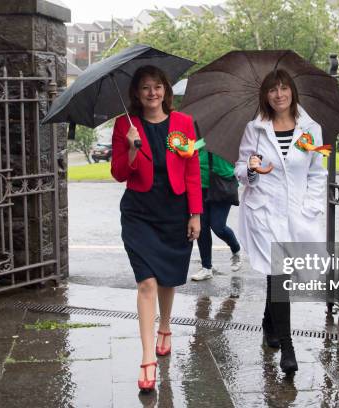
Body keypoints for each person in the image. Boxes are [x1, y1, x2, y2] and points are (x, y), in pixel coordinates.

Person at [111, 65, 202, 392]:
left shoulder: (184, 124)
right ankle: (147, 357)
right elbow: (119, 173)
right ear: (136, 93)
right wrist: (132, 147)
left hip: (175, 212)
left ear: (166, 89)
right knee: (147, 282)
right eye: (145, 88)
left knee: (168, 276)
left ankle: (166, 325)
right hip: (139, 213)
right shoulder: (125, 125)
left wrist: (196, 213)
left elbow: (192, 169)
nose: (152, 93)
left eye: (157, 86)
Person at [234, 69, 328, 375]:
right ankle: (288, 348)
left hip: (296, 213)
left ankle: (268, 322)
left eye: (283, 88)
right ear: (266, 96)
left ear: (292, 92)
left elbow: (317, 172)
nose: (278, 95)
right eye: (272, 90)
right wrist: (249, 168)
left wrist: (311, 207)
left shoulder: (310, 130)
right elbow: (240, 168)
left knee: (280, 275)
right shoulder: (255, 129)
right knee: (279, 274)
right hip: (263, 211)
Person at [191, 149, 242, 281]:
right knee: (201, 227)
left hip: (222, 183)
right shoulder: (200, 137)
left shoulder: (226, 138)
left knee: (218, 226)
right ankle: (206, 267)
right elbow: (191, 151)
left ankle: (235, 249)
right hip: (200, 184)